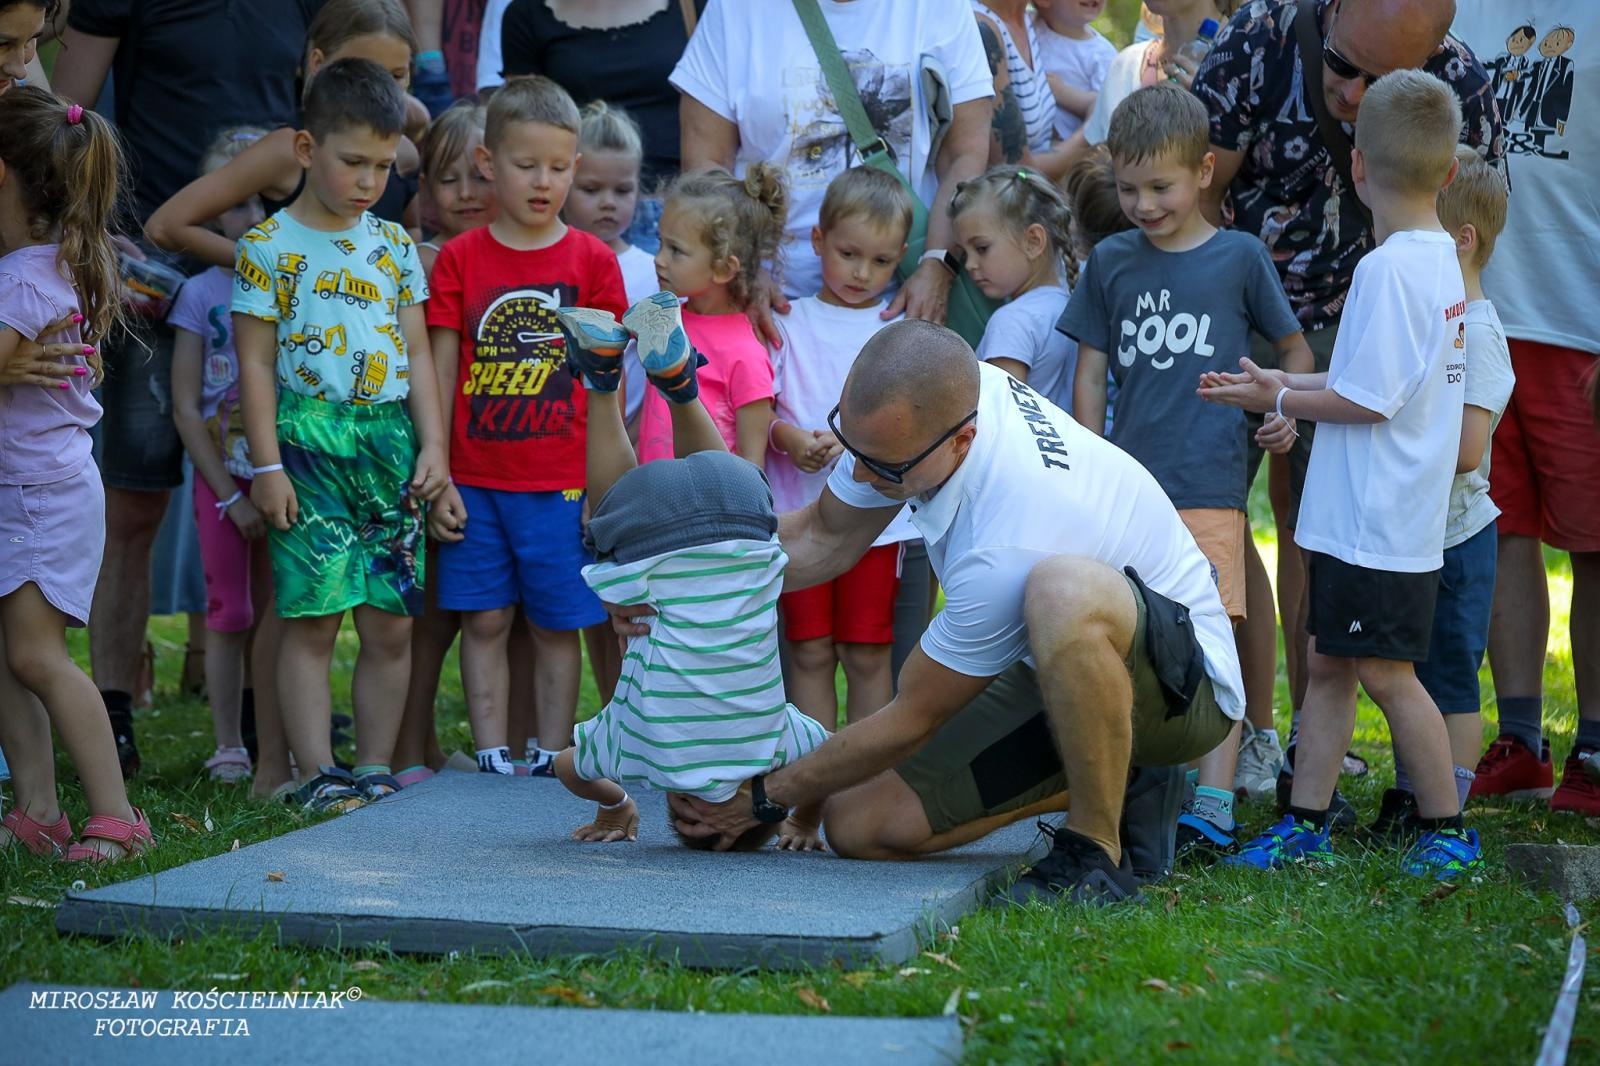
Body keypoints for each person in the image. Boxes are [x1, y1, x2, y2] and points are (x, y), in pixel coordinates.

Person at [650, 318, 1244, 906]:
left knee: (1061, 587)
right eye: (851, 445)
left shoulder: (1009, 536)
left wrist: (759, 798)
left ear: (962, 440)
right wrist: (676, 586)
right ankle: (1124, 774)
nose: (860, 473)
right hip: (1058, 659)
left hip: (1180, 686)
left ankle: (1094, 853)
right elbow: (820, 539)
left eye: (883, 467)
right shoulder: (930, 407)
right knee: (858, 826)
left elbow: (914, 716)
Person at [1190, 0, 1504, 808]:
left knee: (1391, 683)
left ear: (1359, 169)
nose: (1352, 90)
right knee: (1331, 669)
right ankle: (1309, 814)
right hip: (1373, 521)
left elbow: (1366, 398)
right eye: (1343, 66)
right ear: (1449, 176)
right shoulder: (1443, 265)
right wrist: (1286, 386)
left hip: (1374, 528)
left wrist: (1278, 388)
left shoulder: (1387, 271)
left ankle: (1442, 825)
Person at [52, 0, 326, 778]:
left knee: (280, 503)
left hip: (273, 281)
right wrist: (86, 228)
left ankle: (265, 711)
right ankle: (110, 710)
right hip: (152, 274)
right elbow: (63, 118)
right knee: (134, 504)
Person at [1062, 85, 1308, 860]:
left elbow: (1293, 353)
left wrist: (1284, 408)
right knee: (1127, 634)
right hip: (1127, 492)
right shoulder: (1110, 261)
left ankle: (1214, 801)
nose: (1141, 204)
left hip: (1208, 485)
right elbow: (1092, 373)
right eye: (1128, 188)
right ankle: (1130, 781)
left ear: (1205, 171)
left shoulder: (1238, 258)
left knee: (1214, 636)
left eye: (1159, 187)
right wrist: (1082, 454)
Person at [233, 57, 449, 812]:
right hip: (306, 441)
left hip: (388, 441)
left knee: (390, 624)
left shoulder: (393, 247)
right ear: (304, 149)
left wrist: (434, 448)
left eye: (384, 166)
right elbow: (254, 366)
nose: (369, 181)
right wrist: (267, 465)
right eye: (352, 161)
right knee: (313, 617)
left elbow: (418, 350)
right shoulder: (266, 247)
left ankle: (377, 765)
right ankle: (316, 771)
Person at [548, 293, 828, 849]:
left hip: (743, 505)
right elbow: (566, 766)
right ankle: (602, 379)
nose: (692, 809)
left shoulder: (778, 743)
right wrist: (617, 804)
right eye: (692, 821)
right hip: (649, 526)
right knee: (616, 521)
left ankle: (677, 381)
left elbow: (828, 753)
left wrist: (804, 816)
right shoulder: (642, 745)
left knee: (711, 482)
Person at [424, 75, 626, 778]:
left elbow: (607, 383)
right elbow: (443, 370)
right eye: (525, 164)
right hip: (476, 480)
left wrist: (603, 484)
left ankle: (550, 751)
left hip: (561, 483)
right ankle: (490, 755)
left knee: (556, 623)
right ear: (488, 163)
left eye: (559, 167)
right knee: (482, 621)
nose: (544, 182)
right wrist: (439, 468)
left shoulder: (594, 263)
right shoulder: (461, 258)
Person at [1449, 4, 1600, 816]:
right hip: (1482, 317)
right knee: (1500, 532)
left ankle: (1598, 749)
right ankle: (1519, 740)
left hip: (1584, 324)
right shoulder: (1459, 9)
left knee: (1596, 545)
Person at [0, 86, 152, 862]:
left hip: (35, 496)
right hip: (36, 487)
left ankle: (117, 817)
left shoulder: (22, 281)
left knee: (36, 656)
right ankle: (37, 810)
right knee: (9, 653)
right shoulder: (59, 262)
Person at [671, 0, 993, 336]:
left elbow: (964, 155)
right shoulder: (734, 9)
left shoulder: (940, 7)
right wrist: (742, 270)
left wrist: (938, 263)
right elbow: (705, 166)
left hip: (902, 303)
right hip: (766, 307)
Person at [1363, 146, 1511, 834]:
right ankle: (1415, 791)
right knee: (1410, 672)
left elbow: (1468, 452)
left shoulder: (1478, 334)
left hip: (1458, 534)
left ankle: (1446, 807)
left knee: (1450, 678)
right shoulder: (1442, 320)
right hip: (1424, 532)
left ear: (1462, 240)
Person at [766, 166, 917, 733]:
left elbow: (915, 421)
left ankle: (861, 786)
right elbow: (768, 412)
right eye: (849, 254)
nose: (862, 273)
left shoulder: (899, 328)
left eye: (881, 261)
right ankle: (812, 781)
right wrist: (793, 440)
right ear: (818, 241)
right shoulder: (788, 321)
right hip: (799, 516)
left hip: (877, 525)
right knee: (807, 650)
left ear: (901, 256)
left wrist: (854, 442)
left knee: (867, 652)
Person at [167, 127, 295, 797]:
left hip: (282, 474)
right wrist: (227, 495)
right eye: (240, 203)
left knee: (283, 609)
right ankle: (227, 745)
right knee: (229, 612)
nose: (255, 218)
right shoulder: (198, 295)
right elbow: (187, 408)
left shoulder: (292, 285)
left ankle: (283, 738)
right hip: (224, 482)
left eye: (266, 204)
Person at [144, 0, 423, 272]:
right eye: (361, 71)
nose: (380, 88)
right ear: (318, 63)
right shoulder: (287, 150)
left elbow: (410, 229)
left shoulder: (405, 155)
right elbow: (165, 226)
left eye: (396, 75)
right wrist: (275, 267)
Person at [393, 99, 494, 789]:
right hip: (433, 457)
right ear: (423, 188)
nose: (462, 194)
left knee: (479, 618)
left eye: (476, 177)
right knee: (425, 620)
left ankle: (433, 746)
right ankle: (406, 750)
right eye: (444, 178)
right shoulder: (425, 260)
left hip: (496, 460)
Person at [633, 165, 787, 467]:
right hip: (651, 500)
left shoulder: (746, 354)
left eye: (676, 250)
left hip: (706, 511)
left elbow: (751, 466)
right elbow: (649, 420)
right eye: (661, 243)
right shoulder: (667, 321)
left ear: (723, 268)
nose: (659, 259)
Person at [477, 0, 701, 193]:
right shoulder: (527, 14)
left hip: (679, 201)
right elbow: (523, 132)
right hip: (574, 205)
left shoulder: (697, 6)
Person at [952, 165, 1079, 412]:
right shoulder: (1071, 302)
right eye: (964, 253)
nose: (969, 265)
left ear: (1034, 241)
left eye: (981, 248)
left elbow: (1005, 417)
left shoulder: (1012, 322)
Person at [565, 100, 656, 434]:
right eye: (590, 189)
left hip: (626, 439)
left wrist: (634, 440)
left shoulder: (654, 273)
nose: (608, 202)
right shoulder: (547, 261)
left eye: (623, 190)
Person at [1033, 0, 1117, 142]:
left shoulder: (1103, 54)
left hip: (1071, 150)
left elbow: (1106, 108)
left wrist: (1062, 93)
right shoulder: (1030, 26)